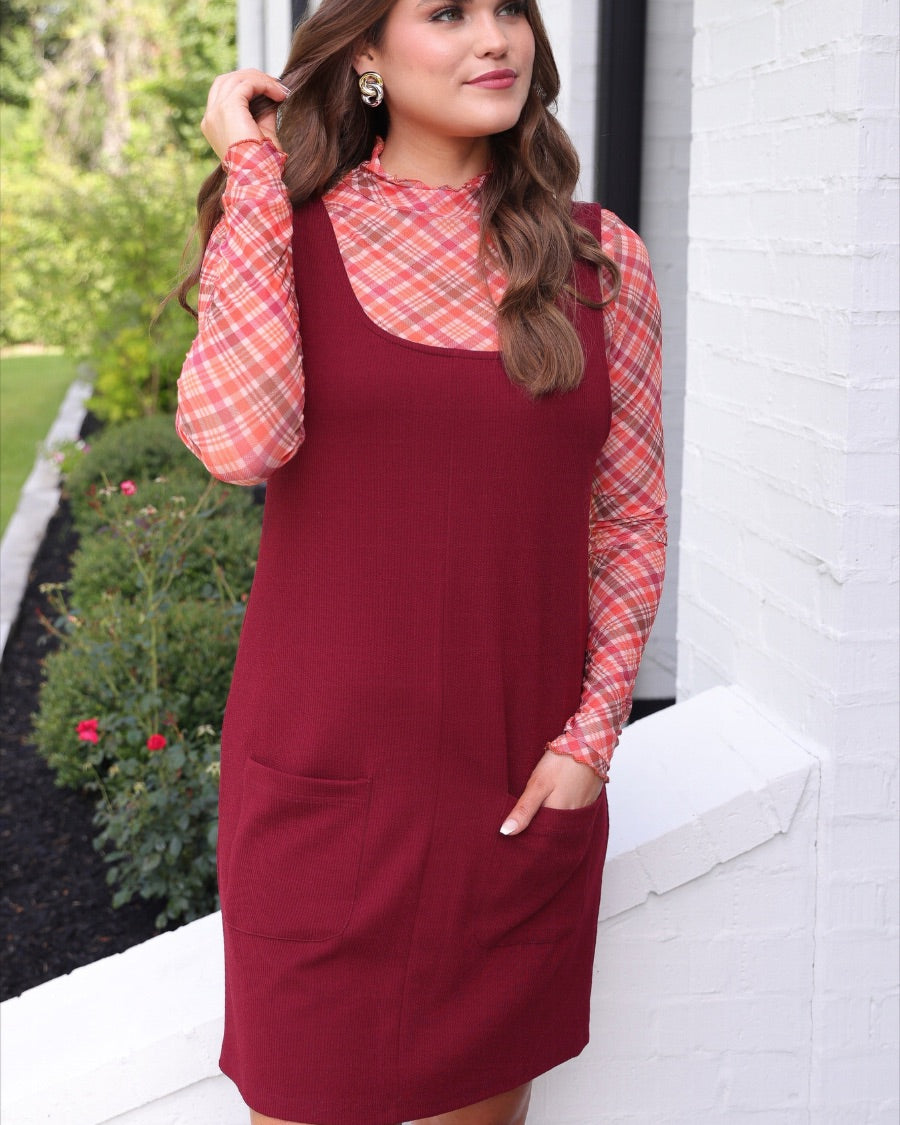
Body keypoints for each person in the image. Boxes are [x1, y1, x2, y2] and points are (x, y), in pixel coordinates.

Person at [175, 1, 666, 1122]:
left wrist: (590, 741)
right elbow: (240, 444)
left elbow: (630, 519)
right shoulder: (288, 230)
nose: (495, 38)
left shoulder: (598, 261)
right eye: (448, 12)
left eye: (510, 10)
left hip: (511, 795)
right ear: (366, 53)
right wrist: (252, 173)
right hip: (318, 795)